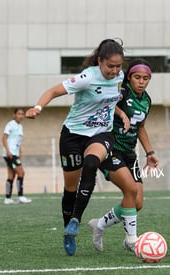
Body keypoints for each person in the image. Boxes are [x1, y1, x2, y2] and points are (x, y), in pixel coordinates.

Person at [25, 38, 125, 256]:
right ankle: (68, 231)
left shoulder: (120, 78)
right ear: (100, 61)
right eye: (110, 66)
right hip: (73, 135)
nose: (115, 70)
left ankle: (76, 220)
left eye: (118, 66)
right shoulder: (87, 77)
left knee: (91, 163)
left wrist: (121, 113)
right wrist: (38, 107)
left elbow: (109, 102)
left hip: (101, 133)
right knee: (70, 189)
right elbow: (52, 91)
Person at [88, 58, 159, 252]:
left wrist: (150, 152)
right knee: (130, 190)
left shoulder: (146, 100)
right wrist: (120, 113)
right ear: (129, 77)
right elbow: (104, 103)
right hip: (110, 148)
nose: (141, 81)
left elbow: (141, 127)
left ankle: (99, 225)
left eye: (146, 78)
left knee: (137, 203)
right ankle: (131, 240)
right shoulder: (122, 91)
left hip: (129, 153)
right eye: (137, 77)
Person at [2, 107, 32, 205]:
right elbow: (4, 138)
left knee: (11, 175)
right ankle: (20, 196)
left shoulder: (20, 126)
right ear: (14, 115)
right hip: (10, 154)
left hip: (15, 153)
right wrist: (8, 151)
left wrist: (20, 151)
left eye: (22, 114)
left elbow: (17, 141)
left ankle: (8, 198)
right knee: (21, 173)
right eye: (18, 114)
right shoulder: (10, 124)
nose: (20, 116)